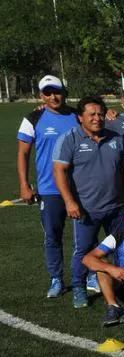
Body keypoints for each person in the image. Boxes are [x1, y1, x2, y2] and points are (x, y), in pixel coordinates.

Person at [53, 96, 124, 308]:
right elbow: (59, 171)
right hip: (85, 209)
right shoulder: (69, 139)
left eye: (100, 114)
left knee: (121, 248)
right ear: (79, 117)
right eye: (91, 114)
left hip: (117, 207)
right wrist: (69, 201)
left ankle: (123, 287)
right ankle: (79, 288)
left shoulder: (116, 138)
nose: (97, 118)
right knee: (83, 251)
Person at [16, 75, 78, 298]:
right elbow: (23, 153)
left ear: (64, 92)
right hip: (49, 189)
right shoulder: (33, 117)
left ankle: (89, 274)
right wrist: (24, 185)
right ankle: (56, 279)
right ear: (41, 95)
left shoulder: (77, 115)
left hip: (79, 188)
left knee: (85, 235)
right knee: (53, 235)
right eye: (48, 93)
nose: (53, 96)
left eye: (57, 92)